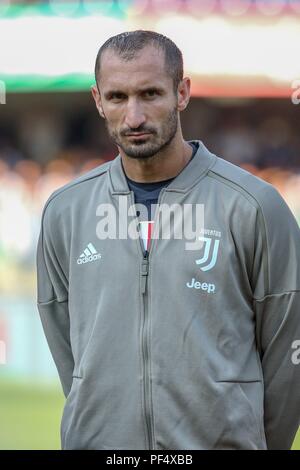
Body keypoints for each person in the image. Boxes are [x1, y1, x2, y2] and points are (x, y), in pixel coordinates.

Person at [36, 30, 300, 450]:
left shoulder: (254, 205)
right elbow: (68, 351)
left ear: (182, 92)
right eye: (118, 97)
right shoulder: (65, 211)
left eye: (150, 94)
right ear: (97, 101)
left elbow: (289, 354)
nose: (134, 117)